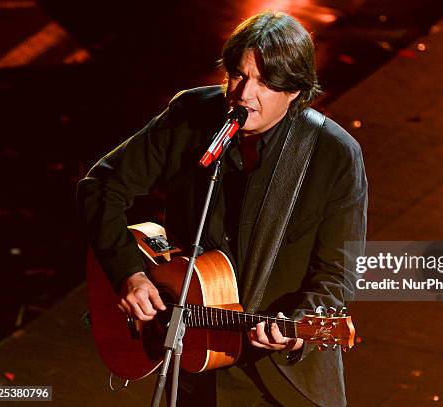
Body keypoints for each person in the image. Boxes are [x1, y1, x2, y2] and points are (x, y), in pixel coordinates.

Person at [77, 11, 367, 407]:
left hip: (282, 383)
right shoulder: (192, 115)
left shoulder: (333, 155)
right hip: (194, 367)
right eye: (238, 75)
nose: (244, 93)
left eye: (264, 82)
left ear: (295, 90)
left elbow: (338, 272)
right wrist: (128, 272)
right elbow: (101, 187)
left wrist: (298, 324)